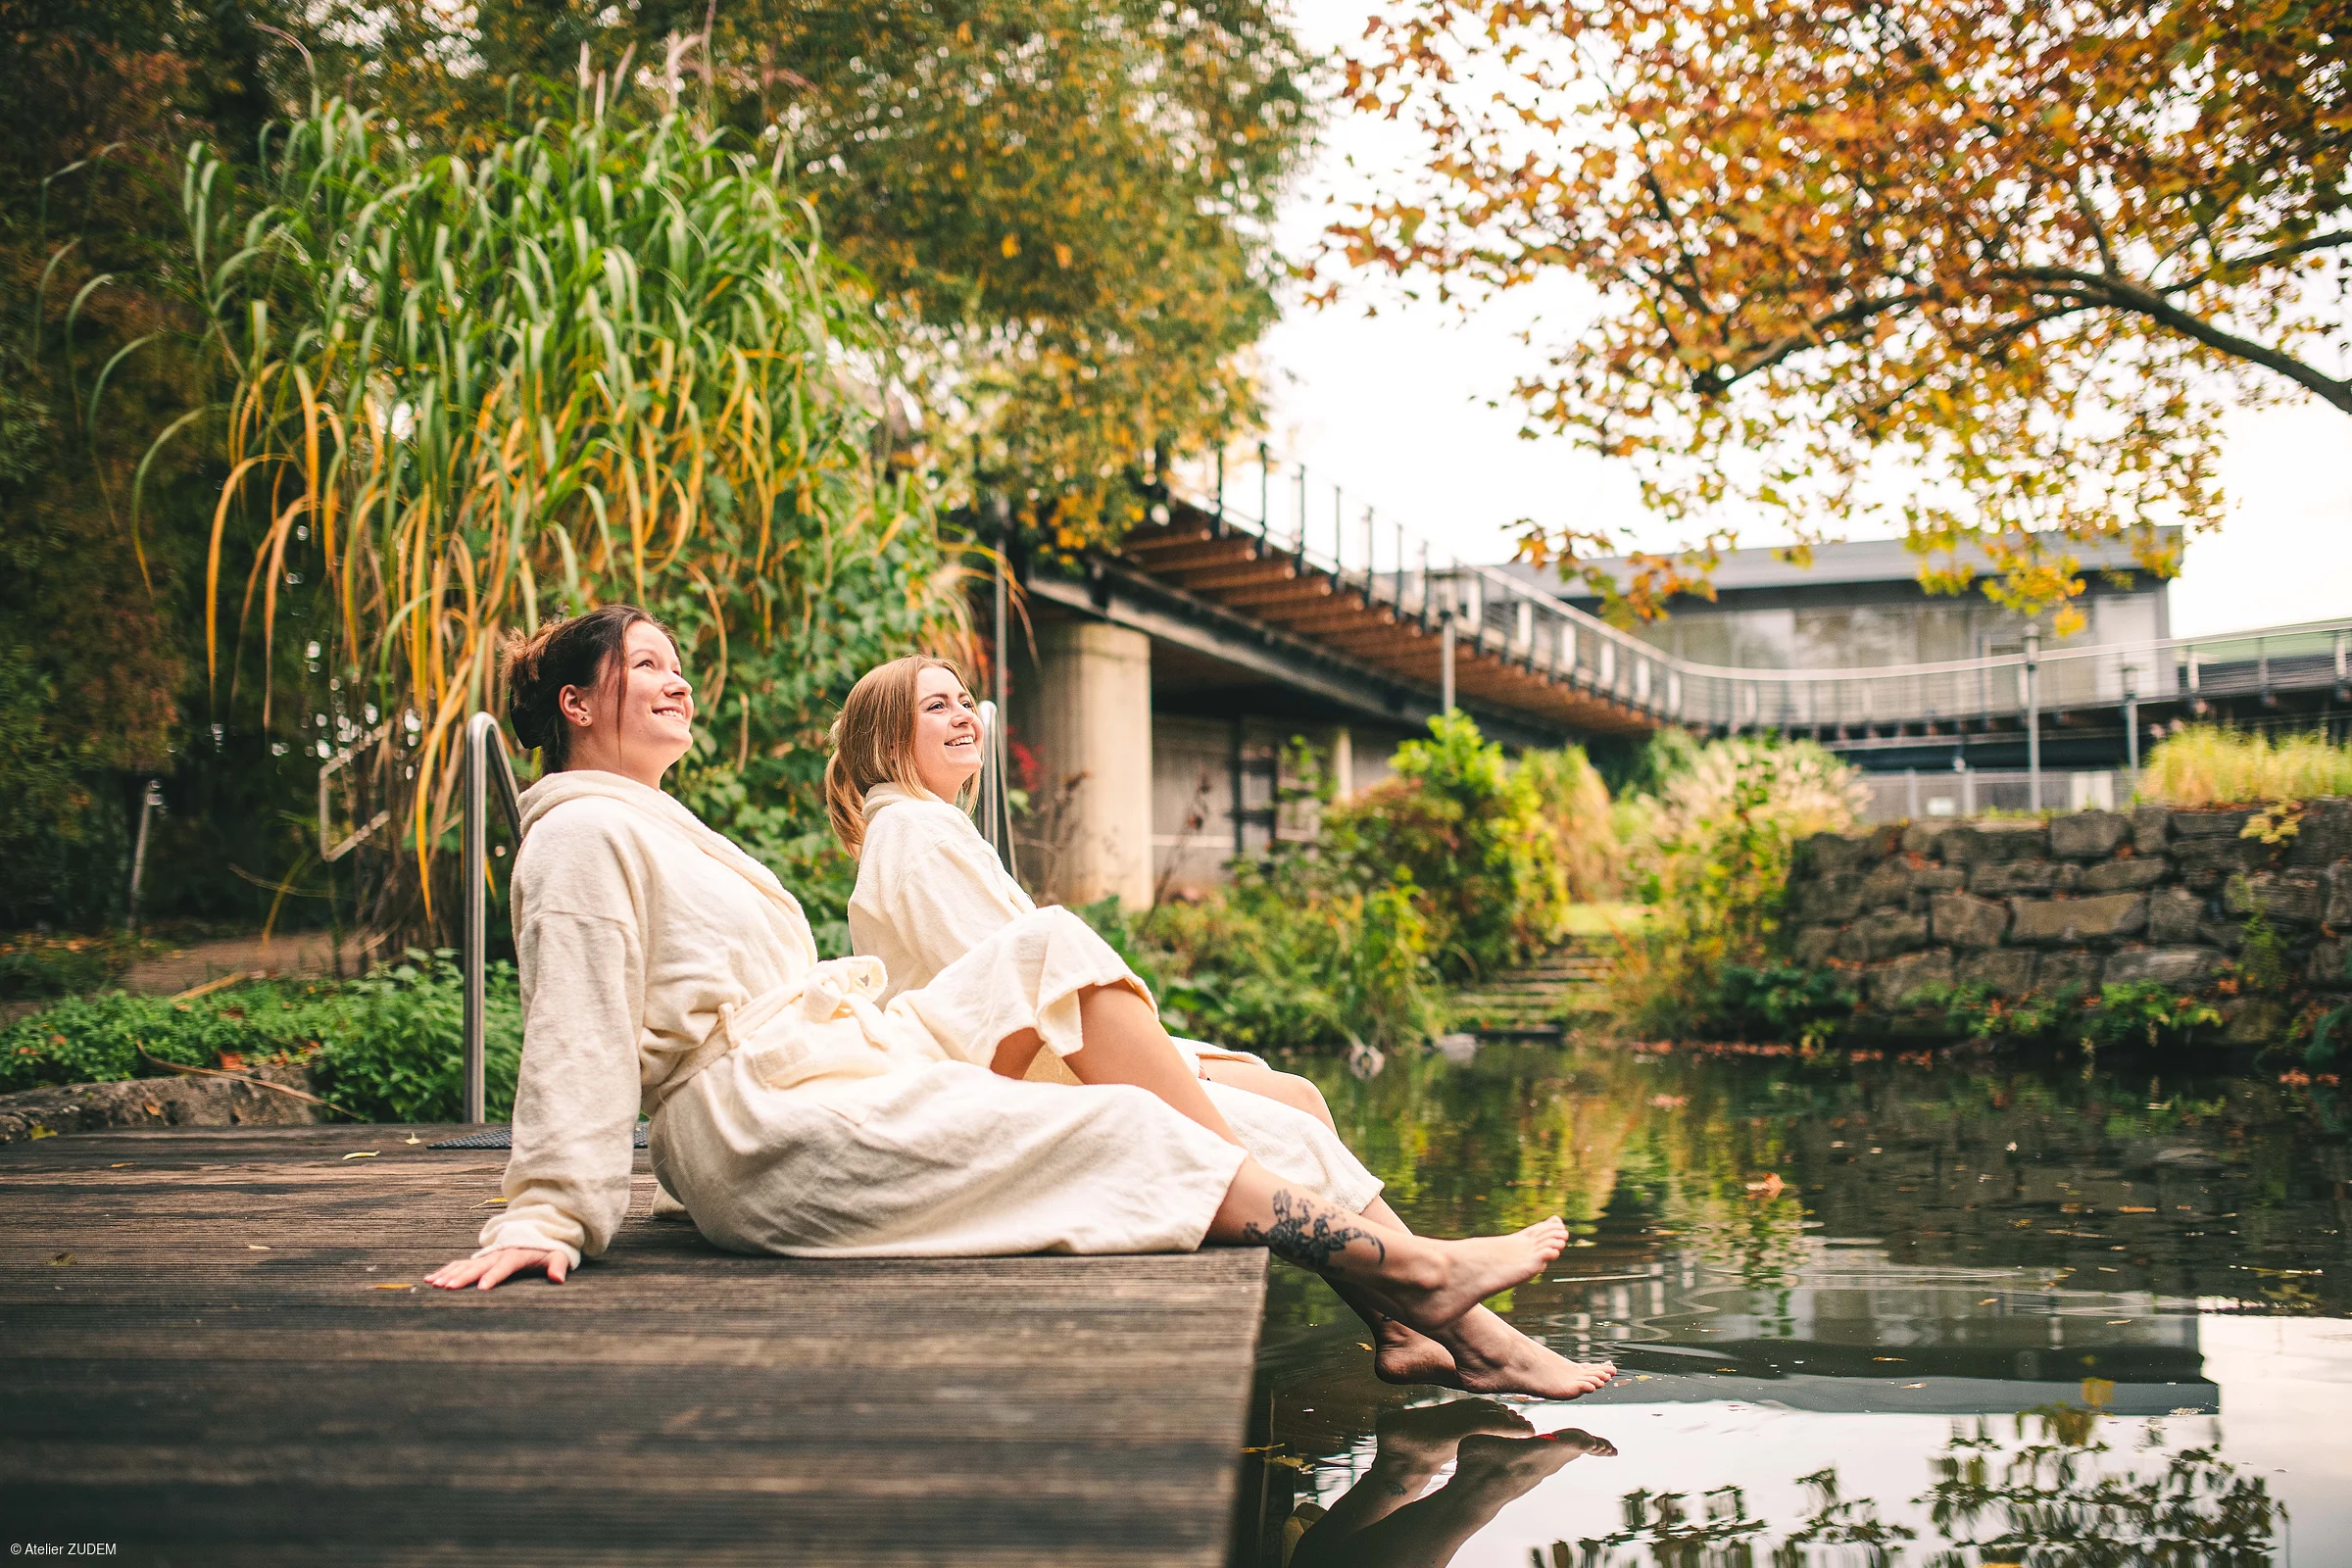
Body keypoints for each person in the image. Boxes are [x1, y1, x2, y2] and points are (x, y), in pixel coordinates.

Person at [425, 606, 1570, 1358]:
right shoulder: (579, 838)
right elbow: (575, 1029)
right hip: (764, 1129)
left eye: (677, 664)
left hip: (826, 1066)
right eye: (645, 667)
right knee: (1129, 1122)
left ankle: (1420, 1299)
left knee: (1055, 943)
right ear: (577, 705)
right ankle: (1414, 1277)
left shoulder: (652, 822)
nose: (676, 681)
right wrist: (551, 1210)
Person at [825, 654, 1615, 1399]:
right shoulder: (913, 835)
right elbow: (1003, 1000)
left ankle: (1402, 1322)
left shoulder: (926, 827)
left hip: (1046, 1058)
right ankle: (1476, 1338)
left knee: (1297, 1094)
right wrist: (1175, 1074)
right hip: (1025, 1084)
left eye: (966, 700)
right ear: (888, 739)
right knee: (1292, 1132)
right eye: (937, 706)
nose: (965, 715)